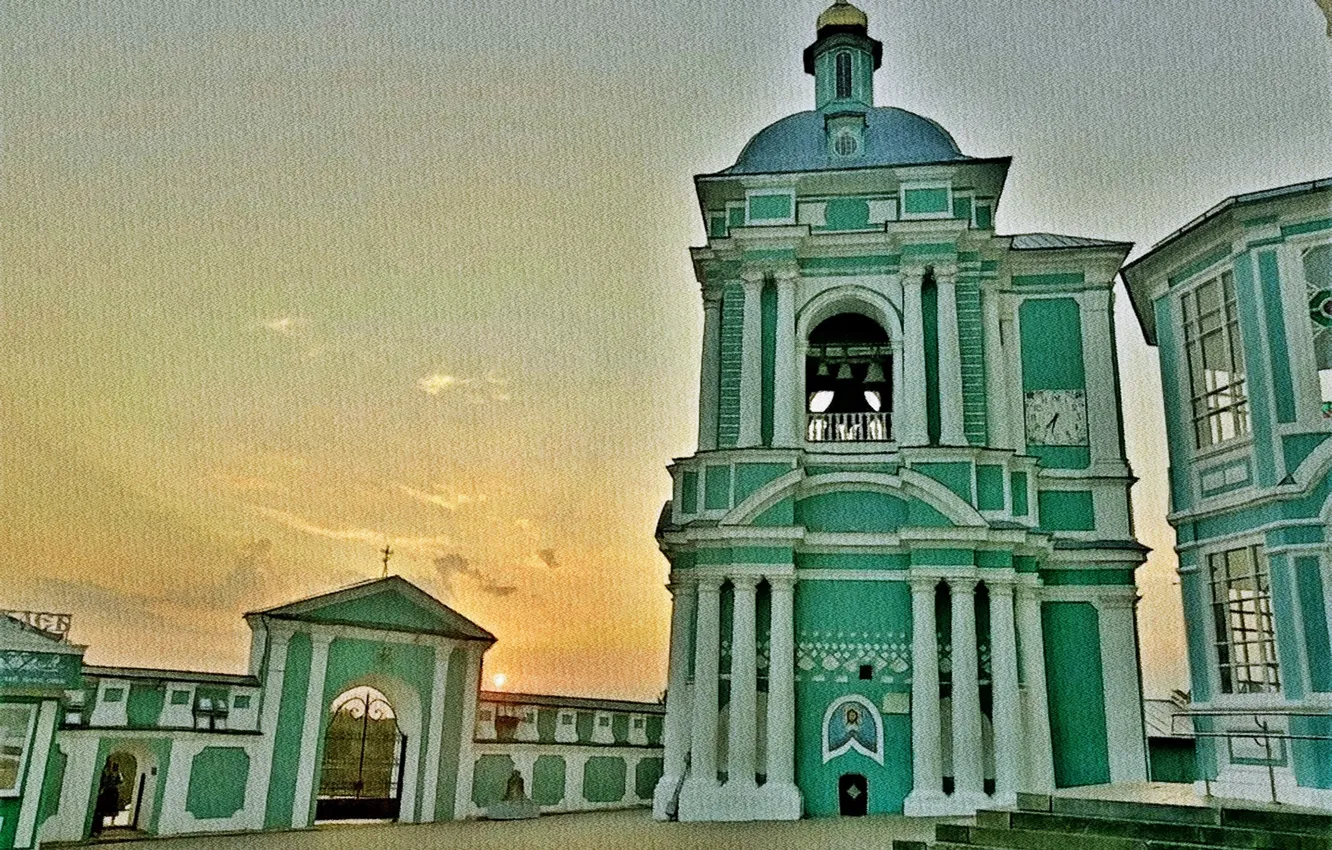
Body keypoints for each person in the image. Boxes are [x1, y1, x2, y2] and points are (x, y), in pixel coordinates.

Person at [91, 760, 123, 836]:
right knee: (101, 811)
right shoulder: (106, 773)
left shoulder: (116, 774)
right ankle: (97, 829)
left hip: (110, 792)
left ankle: (108, 824)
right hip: (106, 792)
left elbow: (120, 781)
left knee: (106, 810)